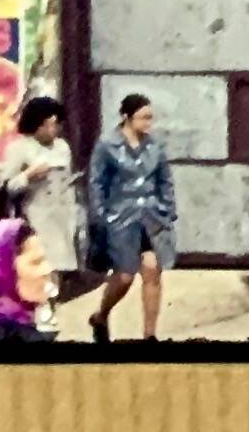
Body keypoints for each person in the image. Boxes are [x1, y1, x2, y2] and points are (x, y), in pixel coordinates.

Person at [86, 92, 178, 344]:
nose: (148, 123)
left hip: (151, 216)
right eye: (143, 117)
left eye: (150, 118)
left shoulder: (155, 145)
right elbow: (96, 183)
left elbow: (164, 180)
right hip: (120, 217)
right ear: (127, 117)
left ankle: (150, 334)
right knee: (124, 275)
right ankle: (101, 315)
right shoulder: (107, 145)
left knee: (152, 269)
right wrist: (101, 216)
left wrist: (167, 209)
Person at [0, 96, 83, 301]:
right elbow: (6, 187)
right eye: (47, 125)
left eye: (55, 125)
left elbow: (68, 180)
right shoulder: (19, 148)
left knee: (60, 272)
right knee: (41, 268)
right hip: (36, 216)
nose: (52, 130)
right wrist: (28, 175)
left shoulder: (62, 147)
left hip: (62, 216)